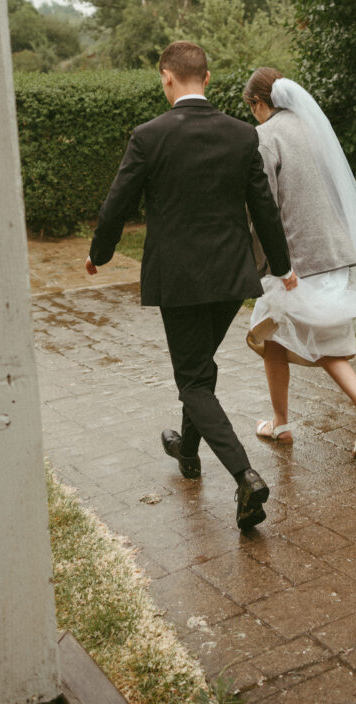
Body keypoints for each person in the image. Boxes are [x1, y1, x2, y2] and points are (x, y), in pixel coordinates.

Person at [85, 42, 297, 531]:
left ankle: (245, 476)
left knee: (193, 381)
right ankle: (187, 454)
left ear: (166, 78)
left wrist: (100, 253)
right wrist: (282, 265)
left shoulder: (148, 136)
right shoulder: (243, 134)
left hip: (178, 280)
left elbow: (118, 202)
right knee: (201, 365)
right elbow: (264, 207)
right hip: (229, 278)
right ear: (207, 77)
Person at [243, 67, 356, 460]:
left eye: (252, 108)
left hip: (296, 262)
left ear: (259, 103)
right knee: (271, 336)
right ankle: (282, 423)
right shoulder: (314, 128)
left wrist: (260, 261)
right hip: (335, 254)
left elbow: (265, 206)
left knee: (314, 341)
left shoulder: (265, 136)